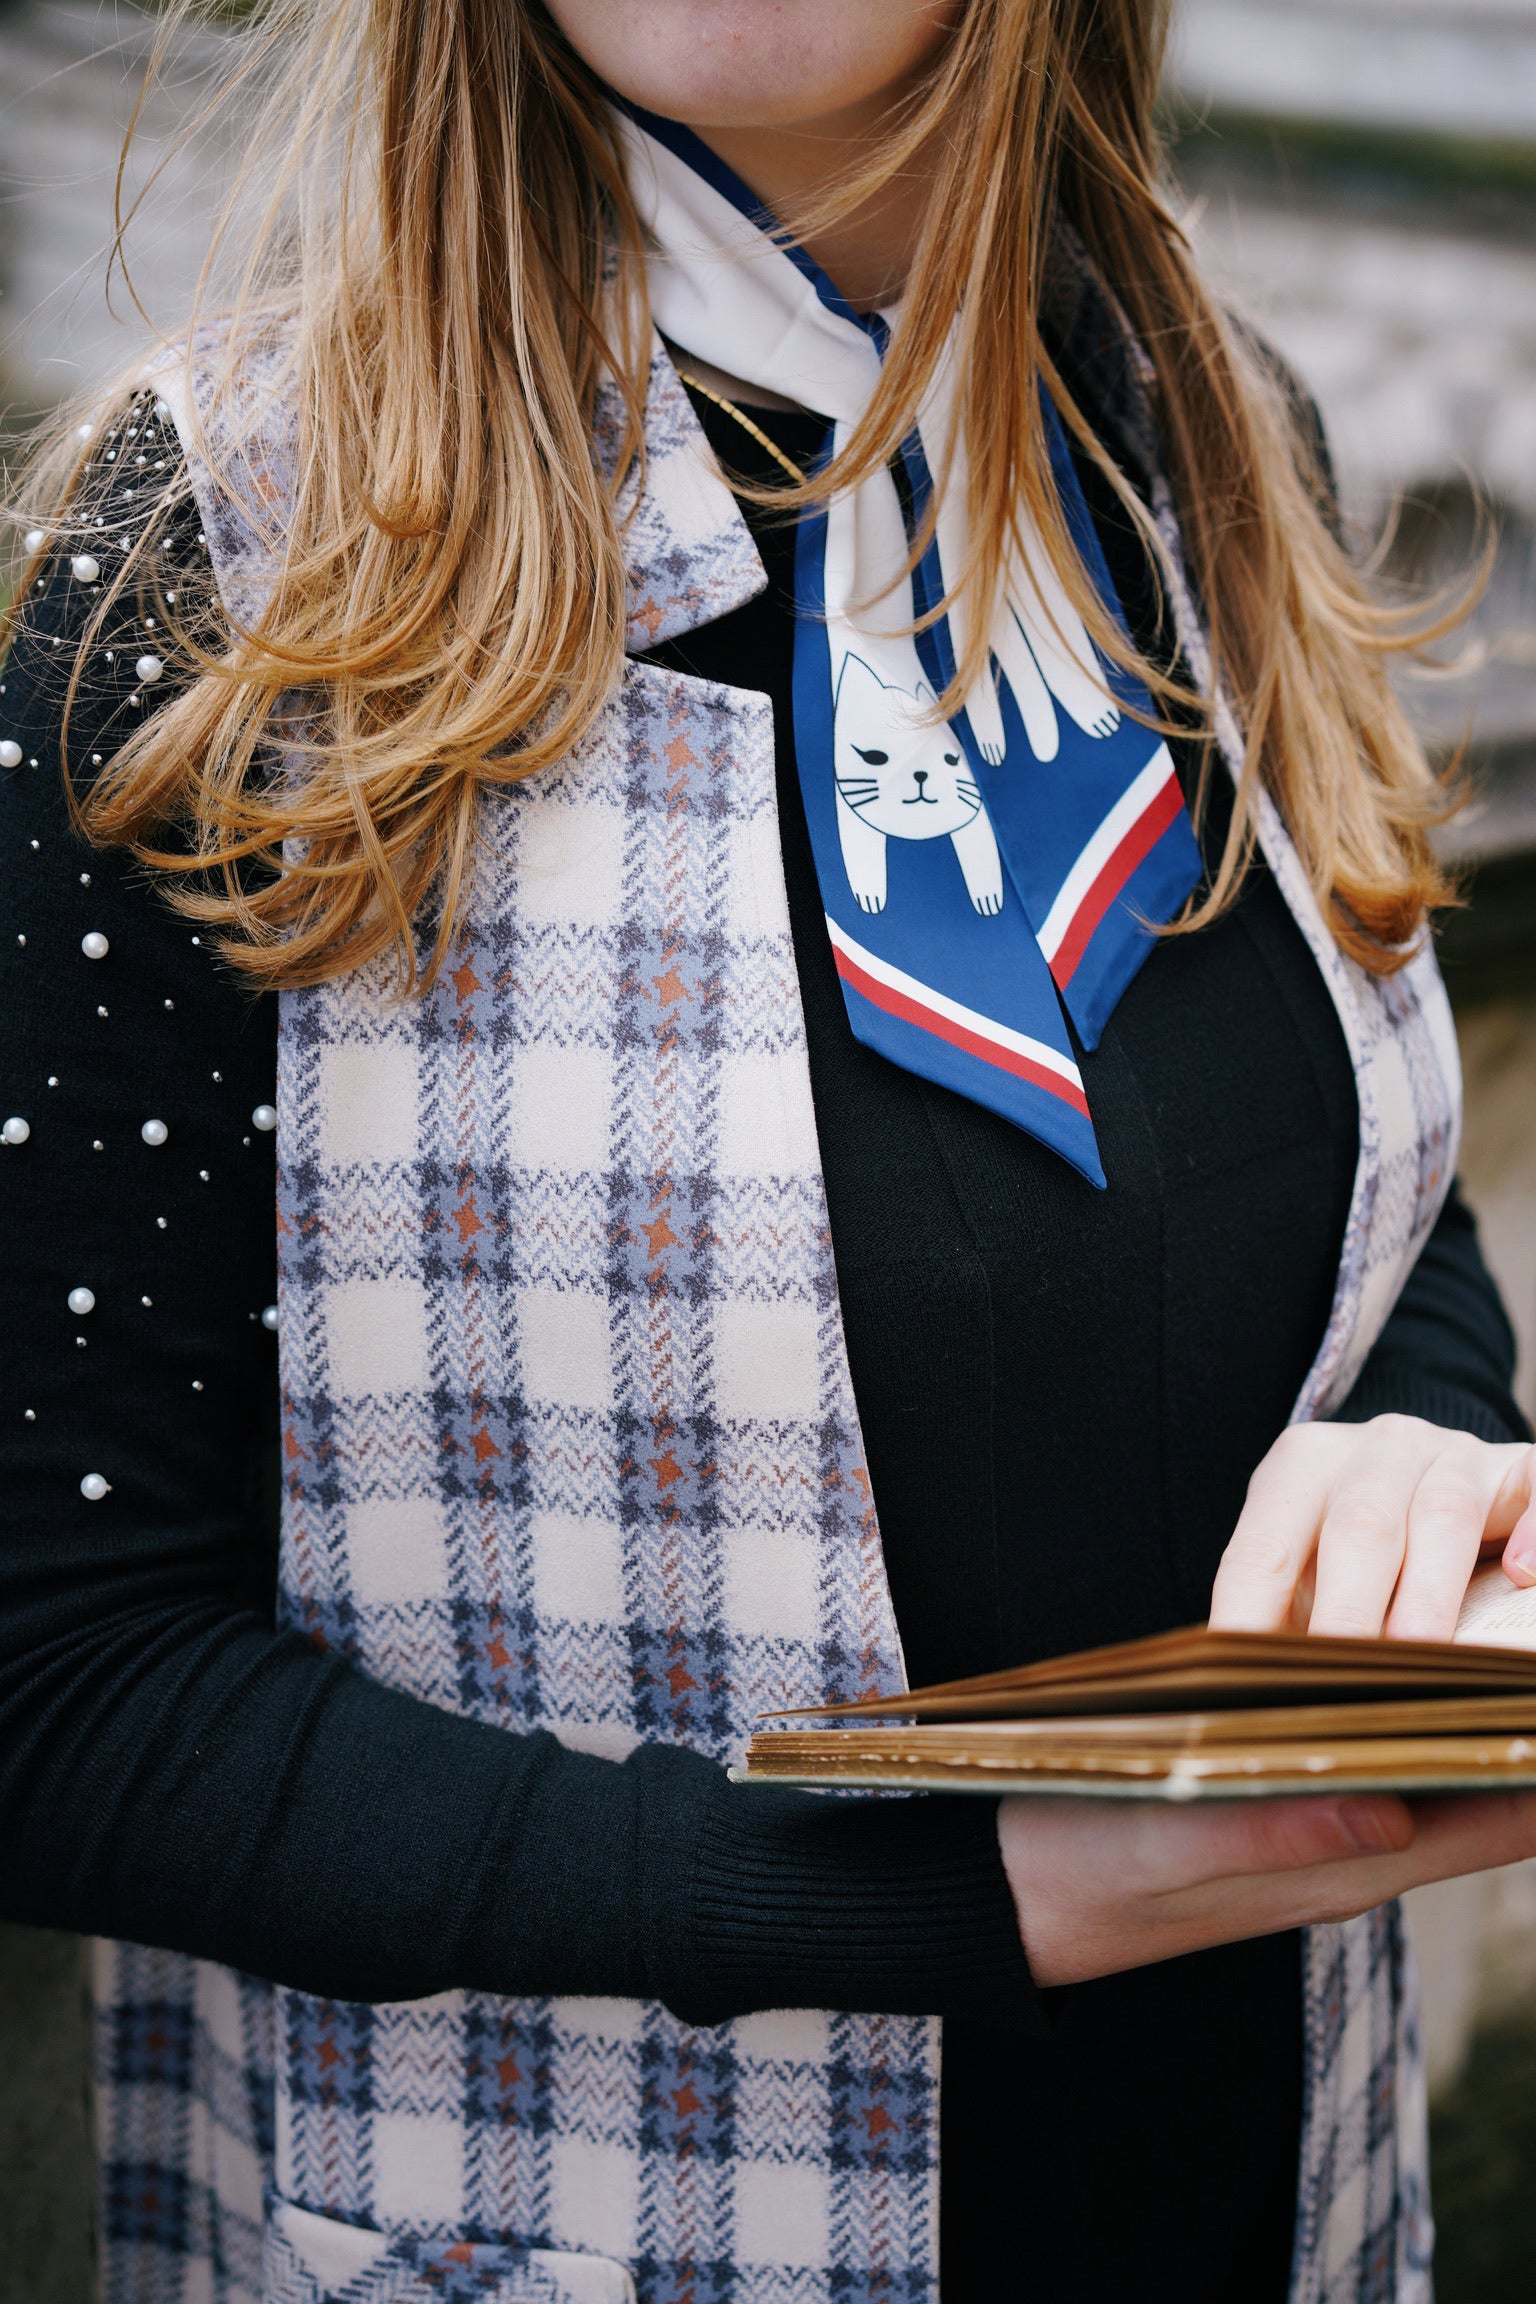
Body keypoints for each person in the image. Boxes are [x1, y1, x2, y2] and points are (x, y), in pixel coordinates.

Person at [2, 2, 1535, 2299]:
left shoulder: (1209, 432)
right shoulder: (210, 570)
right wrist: (945, 1896)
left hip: (1265, 2203)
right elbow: (59, 1679)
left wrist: (1430, 1442)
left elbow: (1344, 1185)